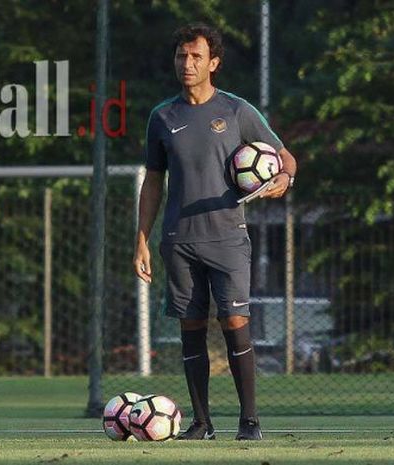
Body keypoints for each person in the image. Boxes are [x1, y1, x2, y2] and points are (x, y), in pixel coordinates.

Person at [133, 23, 297, 441]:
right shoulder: (162, 117)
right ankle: (202, 423)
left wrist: (285, 178)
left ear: (214, 63)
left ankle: (250, 422)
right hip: (178, 241)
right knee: (190, 328)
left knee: (234, 322)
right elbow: (153, 180)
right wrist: (141, 240)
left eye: (196, 57)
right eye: (181, 56)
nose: (186, 64)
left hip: (227, 238)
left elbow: (284, 156)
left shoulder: (237, 111)